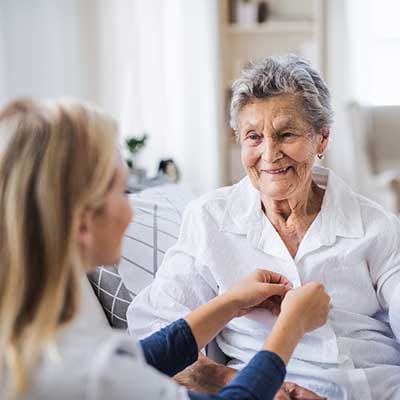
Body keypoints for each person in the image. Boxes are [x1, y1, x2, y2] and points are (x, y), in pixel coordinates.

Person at [0, 98, 330, 400]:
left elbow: (141, 357)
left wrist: (230, 302)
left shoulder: (35, 341)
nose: (132, 208)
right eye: (121, 191)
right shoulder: (94, 374)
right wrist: (292, 326)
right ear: (83, 223)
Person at [128, 55, 400, 400]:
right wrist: (234, 382)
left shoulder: (378, 227)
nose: (270, 154)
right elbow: (154, 336)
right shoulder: (209, 219)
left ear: (322, 138)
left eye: (286, 134)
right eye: (253, 137)